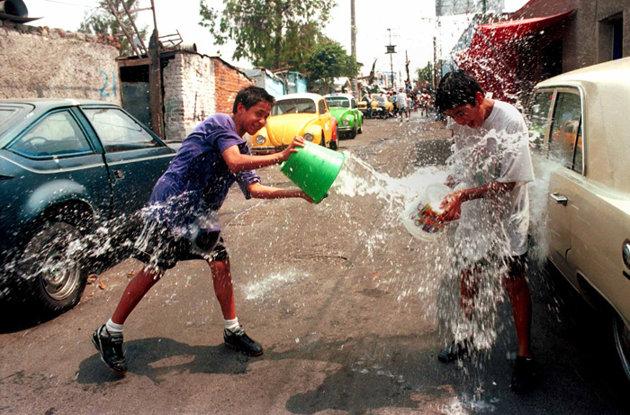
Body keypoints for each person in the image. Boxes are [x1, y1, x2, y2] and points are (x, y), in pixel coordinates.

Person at [92, 86, 312, 375]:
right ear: (240, 109)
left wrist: (297, 193)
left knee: (220, 263)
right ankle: (110, 331)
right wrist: (280, 156)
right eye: (259, 114)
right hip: (172, 205)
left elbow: (255, 189)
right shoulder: (219, 124)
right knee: (155, 269)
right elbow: (232, 161)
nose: (262, 121)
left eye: (266, 117)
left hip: (200, 214)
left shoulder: (243, 148)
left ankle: (232, 330)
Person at [433, 70, 536, 393]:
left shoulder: (510, 121)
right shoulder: (459, 122)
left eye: (462, 114)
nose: (460, 123)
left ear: (479, 99)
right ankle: (465, 337)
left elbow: (508, 184)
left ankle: (525, 356)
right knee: (469, 273)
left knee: (513, 281)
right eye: (452, 117)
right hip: (475, 212)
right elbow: (461, 166)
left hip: (508, 215)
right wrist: (443, 194)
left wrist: (462, 195)